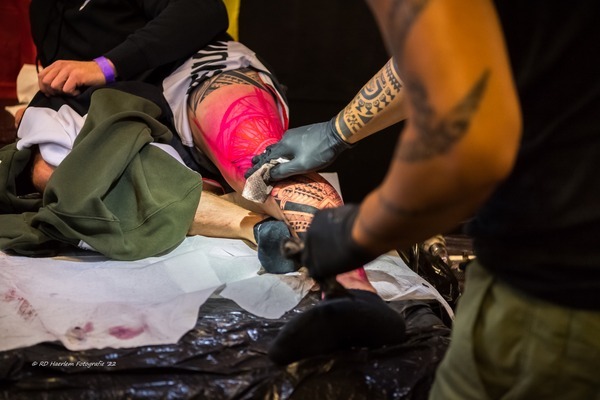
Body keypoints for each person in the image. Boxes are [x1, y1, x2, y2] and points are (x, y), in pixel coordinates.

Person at [12, 0, 408, 359]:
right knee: (50, 171)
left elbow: (202, 9)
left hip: (193, 67)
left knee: (262, 159)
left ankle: (351, 292)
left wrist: (104, 65)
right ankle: (252, 226)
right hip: (128, 101)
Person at [249, 0, 600, 398]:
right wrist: (337, 131)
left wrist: (358, 233)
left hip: (561, 301)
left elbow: (468, 151)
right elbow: (459, 45)